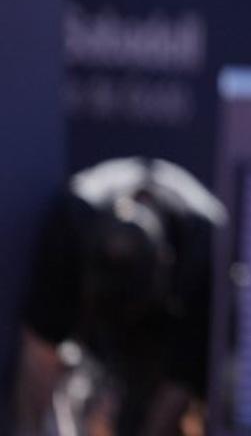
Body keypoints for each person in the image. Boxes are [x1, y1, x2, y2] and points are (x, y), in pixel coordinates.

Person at [13, 157, 227, 436]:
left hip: (165, 346)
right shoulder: (72, 221)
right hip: (87, 356)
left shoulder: (203, 246)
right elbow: (39, 355)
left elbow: (180, 384)